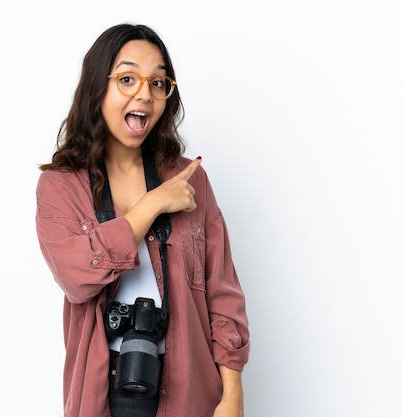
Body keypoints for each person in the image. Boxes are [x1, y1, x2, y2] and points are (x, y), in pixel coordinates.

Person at [35, 23, 250, 417]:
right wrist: (151, 206)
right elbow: (76, 278)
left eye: (158, 83)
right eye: (128, 78)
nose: (144, 94)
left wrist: (232, 391)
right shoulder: (60, 185)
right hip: (104, 386)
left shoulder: (189, 179)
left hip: (189, 384)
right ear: (97, 88)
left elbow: (223, 293)